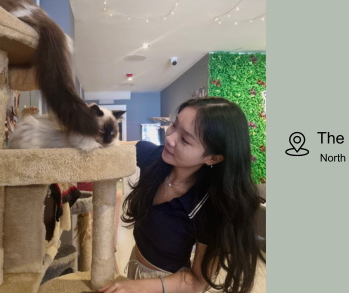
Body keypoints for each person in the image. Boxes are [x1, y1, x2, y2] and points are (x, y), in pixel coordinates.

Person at [99, 97, 265, 293]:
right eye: (174, 125)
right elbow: (113, 146)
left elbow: (196, 282)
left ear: (212, 157)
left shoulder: (210, 208)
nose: (169, 138)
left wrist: (139, 286)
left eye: (185, 139)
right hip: (134, 268)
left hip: (169, 285)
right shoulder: (153, 158)